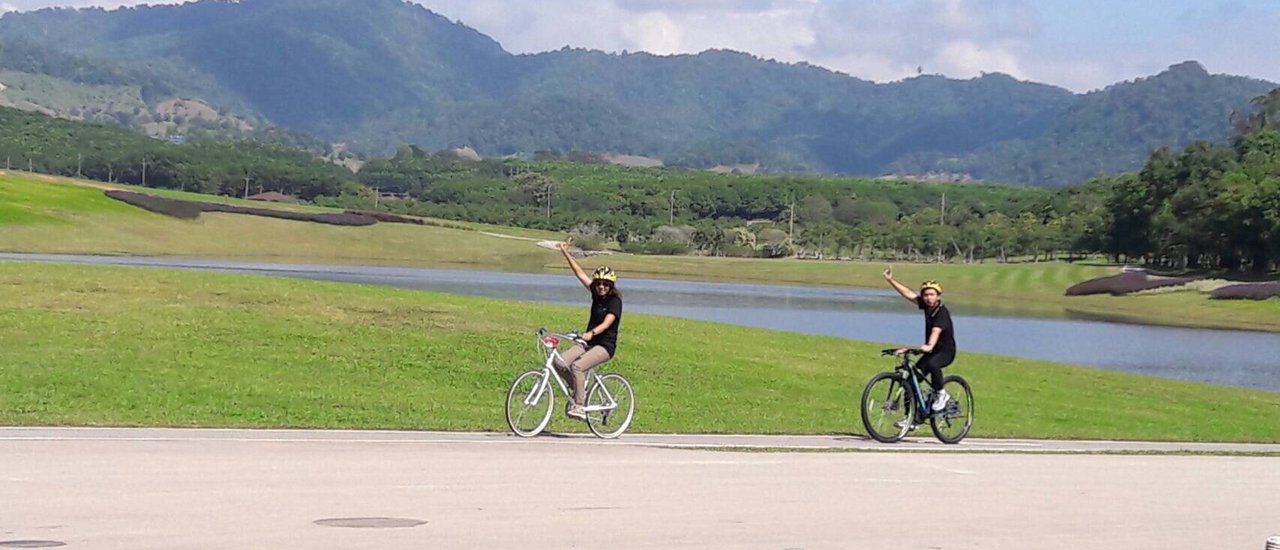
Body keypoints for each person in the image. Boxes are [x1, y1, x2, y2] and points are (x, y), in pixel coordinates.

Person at [556, 241, 623, 420]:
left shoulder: (615, 301)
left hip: (604, 346)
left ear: (611, 285)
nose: (601, 287)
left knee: (577, 366)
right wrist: (565, 253)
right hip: (589, 343)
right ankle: (579, 388)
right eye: (599, 283)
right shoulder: (595, 293)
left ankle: (579, 405)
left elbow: (607, 323)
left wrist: (591, 333)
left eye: (605, 284)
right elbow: (580, 274)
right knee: (560, 363)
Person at [883, 265, 956, 412]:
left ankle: (942, 394)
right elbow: (908, 294)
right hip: (930, 351)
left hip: (945, 352)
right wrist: (891, 280)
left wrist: (929, 345)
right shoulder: (927, 305)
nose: (928, 298)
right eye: (926, 295)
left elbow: (936, 331)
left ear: (938, 296)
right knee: (910, 384)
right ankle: (912, 419)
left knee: (934, 365)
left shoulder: (941, 312)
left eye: (932, 294)